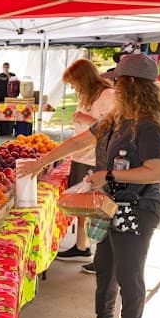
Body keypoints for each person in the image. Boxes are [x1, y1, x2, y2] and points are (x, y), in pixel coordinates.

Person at [19, 54, 160, 318]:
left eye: (118, 82)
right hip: (113, 205)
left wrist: (111, 174)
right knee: (105, 264)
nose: (113, 86)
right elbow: (79, 142)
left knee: (129, 271)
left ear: (131, 85)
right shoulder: (117, 119)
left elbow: (159, 170)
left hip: (138, 209)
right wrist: (41, 162)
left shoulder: (148, 126)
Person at [56, 59, 116, 264]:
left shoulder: (107, 95)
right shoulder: (88, 95)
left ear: (84, 78)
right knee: (82, 204)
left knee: (98, 205)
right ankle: (81, 245)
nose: (74, 88)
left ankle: (102, 256)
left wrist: (85, 118)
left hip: (96, 158)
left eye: (74, 83)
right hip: (81, 155)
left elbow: (111, 128)